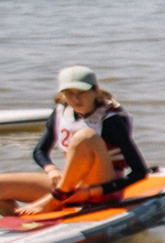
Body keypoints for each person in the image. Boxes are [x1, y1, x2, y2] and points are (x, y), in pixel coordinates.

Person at [0, 66, 146, 216]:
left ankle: (55, 199)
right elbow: (40, 151)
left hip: (102, 190)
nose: (76, 99)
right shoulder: (61, 112)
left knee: (85, 136)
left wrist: (91, 191)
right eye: (69, 93)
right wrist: (51, 169)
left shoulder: (111, 120)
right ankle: (26, 221)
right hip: (70, 187)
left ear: (95, 91)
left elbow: (140, 172)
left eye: (82, 93)